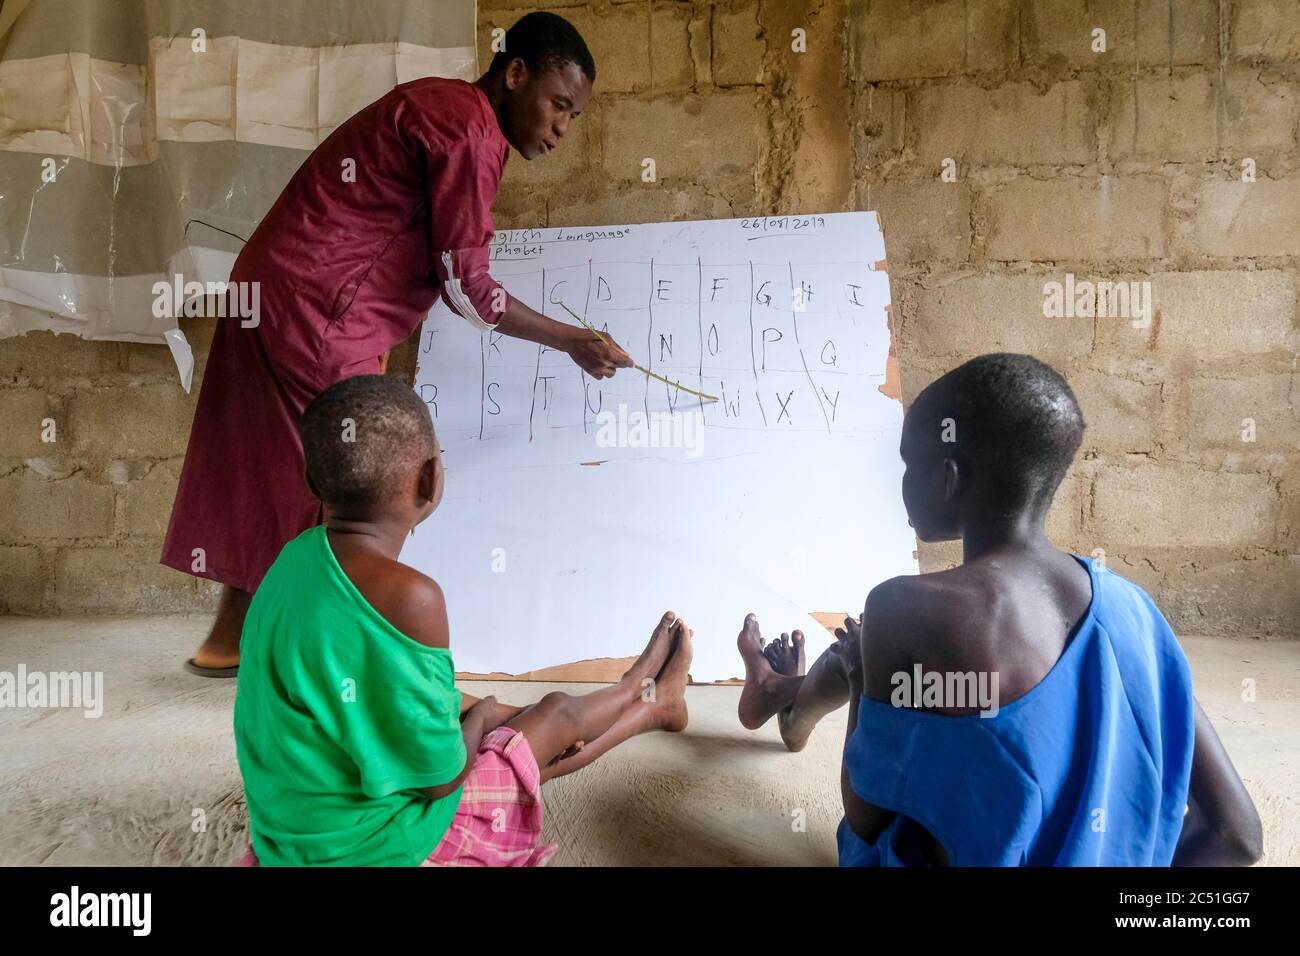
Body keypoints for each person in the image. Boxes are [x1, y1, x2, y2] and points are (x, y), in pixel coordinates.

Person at [162, 12, 632, 676]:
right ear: (515, 73)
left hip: (275, 285)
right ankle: (336, 659)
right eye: (558, 105)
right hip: (320, 308)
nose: (561, 127)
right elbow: (467, 286)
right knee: (368, 474)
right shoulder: (470, 129)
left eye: (574, 117)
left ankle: (230, 640)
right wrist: (571, 340)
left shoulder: (442, 105)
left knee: (279, 466)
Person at [735, 353, 1263, 866]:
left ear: (948, 477)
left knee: (862, 658)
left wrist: (859, 675)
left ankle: (784, 705)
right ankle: (780, 696)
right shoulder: (1136, 610)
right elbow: (1238, 837)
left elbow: (866, 818)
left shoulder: (905, 605)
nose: (901, 481)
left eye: (908, 464)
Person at [234, 375, 690, 866]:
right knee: (555, 715)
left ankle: (647, 701)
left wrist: (489, 710)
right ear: (430, 478)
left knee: (512, 720)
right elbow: (440, 779)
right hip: (383, 850)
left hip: (291, 841)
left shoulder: (290, 562)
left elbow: (361, 687)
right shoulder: (413, 597)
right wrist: (475, 724)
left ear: (312, 482)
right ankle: (640, 695)